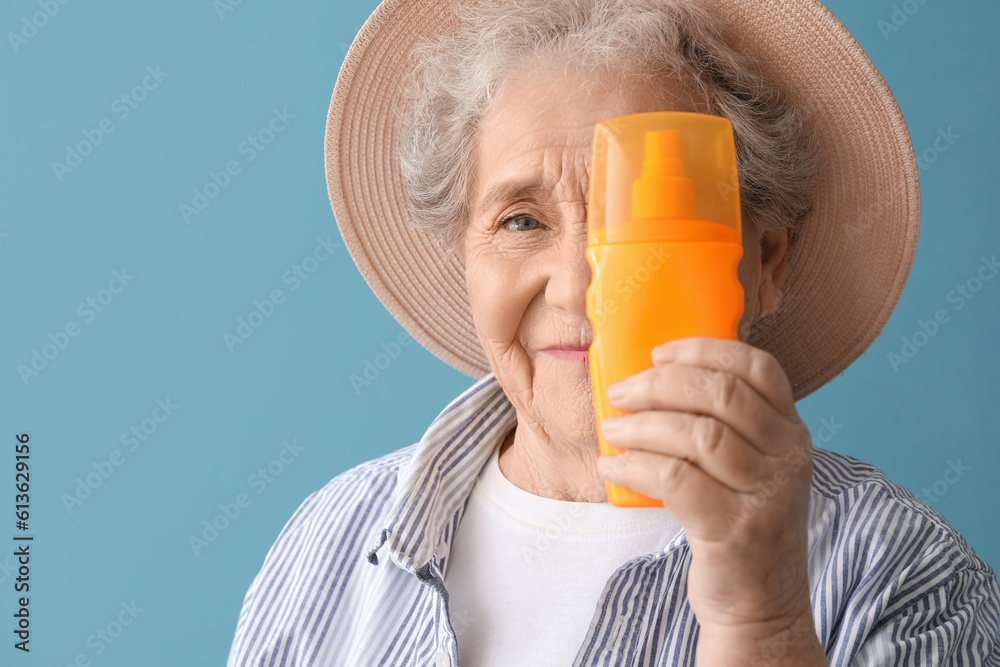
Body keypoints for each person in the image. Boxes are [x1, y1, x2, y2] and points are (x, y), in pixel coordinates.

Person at [226, 0, 1000, 665]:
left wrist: (764, 623)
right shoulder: (334, 536)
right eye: (520, 219)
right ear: (464, 258)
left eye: (644, 223)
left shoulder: (901, 569)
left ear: (761, 260)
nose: (579, 284)